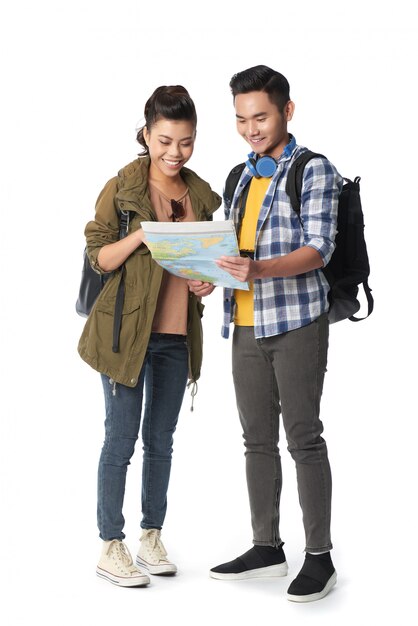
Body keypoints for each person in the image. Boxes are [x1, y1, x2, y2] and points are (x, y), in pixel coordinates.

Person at [189, 65, 342, 602]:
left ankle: (319, 556)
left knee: (303, 438)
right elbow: (233, 249)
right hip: (245, 324)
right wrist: (213, 280)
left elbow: (319, 248)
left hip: (297, 320)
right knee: (256, 440)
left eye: (261, 116)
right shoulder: (240, 176)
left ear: (286, 112)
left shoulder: (314, 169)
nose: (251, 128)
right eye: (240, 118)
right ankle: (267, 547)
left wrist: (259, 270)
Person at [78, 85, 221, 587]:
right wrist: (143, 233)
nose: (174, 153)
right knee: (119, 441)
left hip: (177, 337)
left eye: (185, 141)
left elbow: (202, 268)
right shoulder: (122, 188)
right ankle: (110, 544)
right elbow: (100, 256)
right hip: (125, 337)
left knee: (161, 442)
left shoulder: (202, 195)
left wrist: (205, 284)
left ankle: (151, 536)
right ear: (146, 133)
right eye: (164, 140)